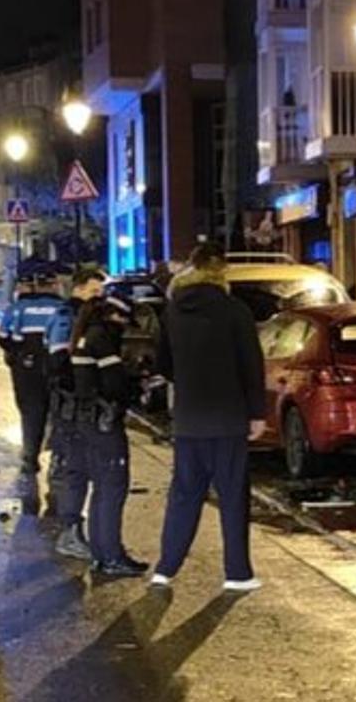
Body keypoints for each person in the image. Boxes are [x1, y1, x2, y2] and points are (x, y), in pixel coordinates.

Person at [152, 242, 266, 592]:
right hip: (228, 418)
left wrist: (186, 383)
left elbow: (162, 363)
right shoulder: (235, 311)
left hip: (188, 418)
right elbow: (251, 364)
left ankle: (165, 568)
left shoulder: (172, 311)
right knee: (232, 496)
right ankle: (237, 573)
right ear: (221, 272)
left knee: (184, 493)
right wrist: (256, 414)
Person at [71, 295, 148, 577]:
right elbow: (113, 384)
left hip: (86, 420)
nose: (125, 327)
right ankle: (112, 556)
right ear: (115, 315)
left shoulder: (84, 335)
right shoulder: (101, 339)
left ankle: (101, 554)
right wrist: (135, 383)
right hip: (103, 423)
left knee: (101, 489)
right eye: (124, 321)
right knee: (113, 488)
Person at [46, 265, 107, 560]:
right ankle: (69, 533)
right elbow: (59, 360)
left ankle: (73, 531)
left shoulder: (86, 316)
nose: (99, 297)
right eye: (94, 291)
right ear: (79, 288)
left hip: (79, 405)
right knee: (74, 470)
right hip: (70, 405)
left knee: (79, 469)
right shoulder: (66, 316)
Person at [0, 264, 66, 475]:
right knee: (59, 413)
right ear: (55, 285)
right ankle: (58, 459)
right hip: (56, 366)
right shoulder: (62, 308)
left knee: (31, 413)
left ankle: (30, 457)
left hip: (26, 369)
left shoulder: (18, 308)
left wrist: (15, 354)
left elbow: (2, 337)